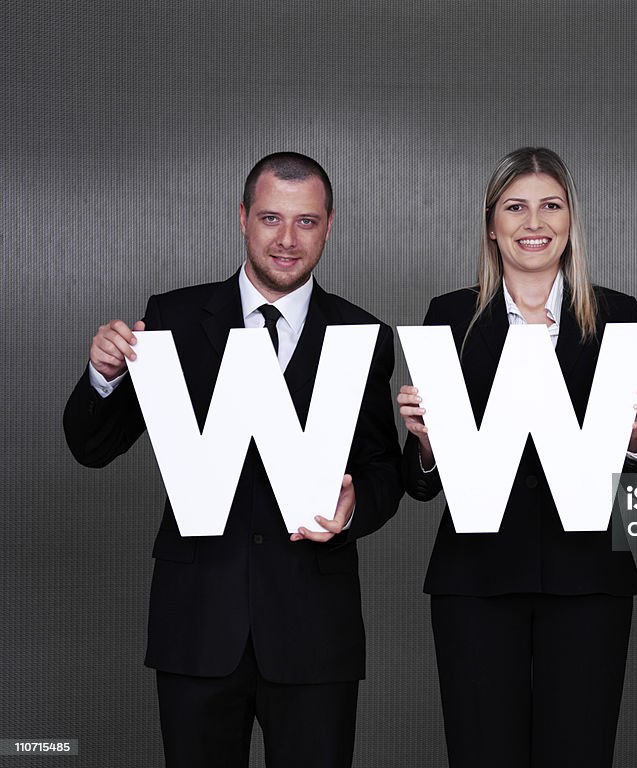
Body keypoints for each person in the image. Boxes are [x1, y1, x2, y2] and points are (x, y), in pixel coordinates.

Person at [62, 152, 403, 768]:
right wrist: (103, 376)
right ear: (243, 218)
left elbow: (384, 470)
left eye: (305, 221)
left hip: (313, 632)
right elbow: (91, 447)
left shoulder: (363, 335)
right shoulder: (175, 319)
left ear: (329, 226)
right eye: (271, 217)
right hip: (197, 625)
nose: (286, 239)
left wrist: (353, 512)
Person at [397, 147, 637, 768]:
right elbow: (419, 486)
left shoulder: (616, 314)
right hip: (476, 583)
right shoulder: (451, 316)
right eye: (515, 207)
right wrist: (428, 447)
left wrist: (633, 437)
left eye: (551, 205)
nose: (533, 222)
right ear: (492, 224)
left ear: (572, 219)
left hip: (589, 580)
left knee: (580, 753)